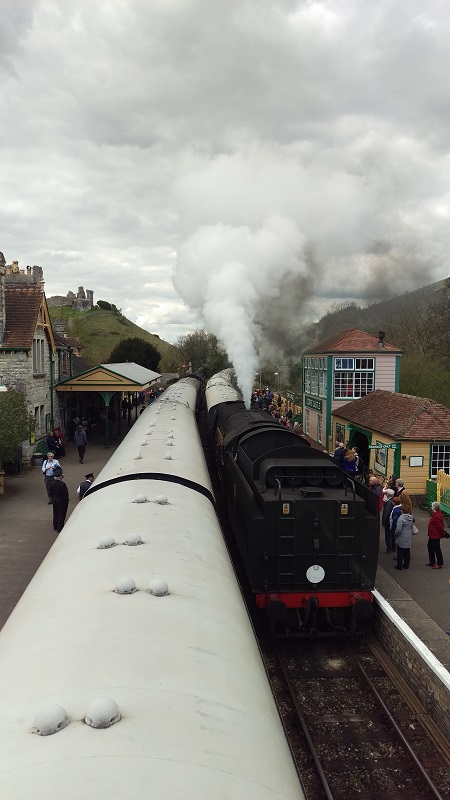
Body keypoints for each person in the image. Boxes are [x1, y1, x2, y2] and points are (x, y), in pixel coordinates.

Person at [48, 467, 69, 532]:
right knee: (61, 514)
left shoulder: (51, 483)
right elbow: (65, 494)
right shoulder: (62, 484)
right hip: (61, 500)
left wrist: (53, 498)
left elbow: (50, 492)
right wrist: (66, 501)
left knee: (56, 512)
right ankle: (60, 527)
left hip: (55, 499)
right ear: (60, 477)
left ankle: (55, 525)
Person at [394, 502, 414, 570]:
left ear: (401, 510)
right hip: (408, 536)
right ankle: (406, 565)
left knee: (400, 552)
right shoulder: (411, 517)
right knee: (407, 552)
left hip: (401, 537)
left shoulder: (401, 519)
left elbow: (398, 530)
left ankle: (399, 566)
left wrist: (395, 534)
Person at [426, 501, 446, 569]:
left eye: (432, 506)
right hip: (433, 534)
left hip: (435, 535)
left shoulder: (436, 516)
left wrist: (444, 532)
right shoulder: (437, 514)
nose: (431, 507)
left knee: (436, 548)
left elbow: (439, 526)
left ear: (434, 507)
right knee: (430, 547)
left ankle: (439, 563)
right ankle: (432, 561)